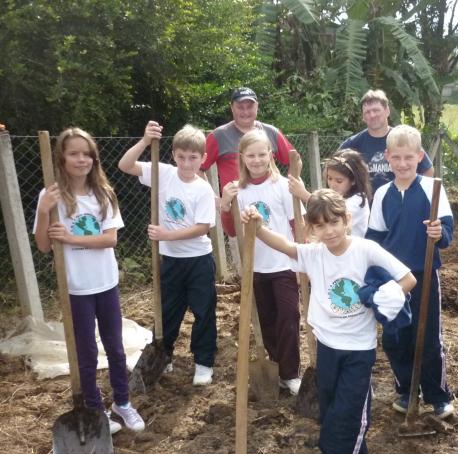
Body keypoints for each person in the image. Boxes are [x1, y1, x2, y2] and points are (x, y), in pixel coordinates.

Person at [241, 189, 416, 454]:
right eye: (320, 226)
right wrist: (256, 224)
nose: (330, 230)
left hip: (359, 349)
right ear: (311, 229)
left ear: (347, 220)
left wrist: (387, 295)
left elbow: (407, 278)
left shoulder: (366, 250)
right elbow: (282, 244)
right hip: (327, 346)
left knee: (350, 410)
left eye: (335, 222)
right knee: (335, 408)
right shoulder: (314, 254)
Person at [34, 127, 145, 435]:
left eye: (87, 154)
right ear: (62, 157)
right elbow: (44, 245)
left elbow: (110, 240)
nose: (81, 159)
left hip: (105, 282)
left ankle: (122, 402)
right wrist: (44, 212)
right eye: (74, 153)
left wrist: (70, 237)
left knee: (115, 347)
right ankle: (96, 410)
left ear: (94, 158)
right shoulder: (51, 196)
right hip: (75, 287)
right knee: (86, 352)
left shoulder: (103, 195)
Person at [118, 121, 218, 386]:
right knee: (167, 311)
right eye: (182, 157)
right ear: (173, 155)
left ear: (203, 159)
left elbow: (202, 227)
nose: (186, 163)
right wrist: (144, 141)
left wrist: (166, 235)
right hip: (171, 260)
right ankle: (164, 356)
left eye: (193, 158)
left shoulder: (203, 189)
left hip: (198, 260)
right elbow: (125, 166)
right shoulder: (163, 173)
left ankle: (203, 362)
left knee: (203, 310)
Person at [366, 124, 455, 419]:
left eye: (409, 158)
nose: (403, 164)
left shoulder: (433, 189)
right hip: (394, 279)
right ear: (388, 158)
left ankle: (437, 395)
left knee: (427, 336)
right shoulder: (382, 194)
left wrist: (438, 233)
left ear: (419, 157)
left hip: (425, 272)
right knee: (395, 336)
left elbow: (447, 234)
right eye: (397, 158)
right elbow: (374, 238)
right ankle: (406, 389)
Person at [220, 129, 302, 395]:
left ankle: (290, 373)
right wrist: (226, 204)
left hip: (284, 264)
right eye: (250, 155)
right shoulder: (238, 190)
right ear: (241, 157)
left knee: (288, 317)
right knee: (265, 320)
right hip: (255, 267)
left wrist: (302, 261)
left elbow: (295, 224)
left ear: (270, 155)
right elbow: (232, 230)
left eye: (261, 154)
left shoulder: (282, 186)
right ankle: (276, 367)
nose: (256, 160)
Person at [201, 87, 296, 237]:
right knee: (244, 257)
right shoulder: (219, 135)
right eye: (240, 107)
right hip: (237, 210)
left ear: (257, 106)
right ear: (232, 108)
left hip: (271, 209)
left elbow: (295, 159)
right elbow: (197, 167)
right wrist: (215, 199)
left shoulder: (271, 132)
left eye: (250, 106)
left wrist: (291, 188)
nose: (245, 111)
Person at [340, 89, 434, 195]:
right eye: (367, 112)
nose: (372, 115)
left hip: (400, 205)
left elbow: (428, 170)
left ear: (387, 111)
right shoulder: (353, 144)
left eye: (376, 110)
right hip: (366, 208)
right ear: (363, 117)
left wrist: (416, 195)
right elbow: (333, 169)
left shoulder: (403, 138)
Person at [288, 148, 373, 237]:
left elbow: (331, 212)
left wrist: (303, 194)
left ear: (353, 180)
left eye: (339, 181)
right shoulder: (333, 195)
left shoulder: (358, 200)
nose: (333, 185)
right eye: (329, 178)